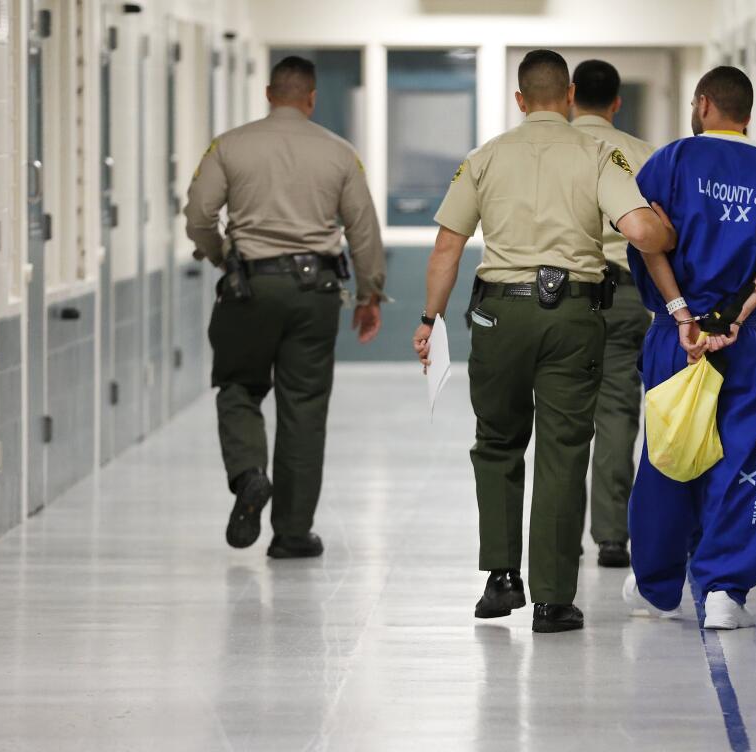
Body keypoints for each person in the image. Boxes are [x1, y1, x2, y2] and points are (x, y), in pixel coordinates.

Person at [412, 50, 676, 633]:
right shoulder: (597, 154)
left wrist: (430, 319)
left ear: (519, 99)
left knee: (497, 441)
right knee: (562, 449)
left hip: (498, 318)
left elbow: (446, 249)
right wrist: (666, 226)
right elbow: (639, 230)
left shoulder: (483, 158)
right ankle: (553, 599)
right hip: (573, 315)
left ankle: (501, 577)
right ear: (569, 94)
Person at [622, 66, 756, 629]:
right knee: (746, 458)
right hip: (749, 337)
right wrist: (734, 314)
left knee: (668, 455)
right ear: (747, 115)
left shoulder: (671, 162)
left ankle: (657, 585)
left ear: (704, 104)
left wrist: (683, 311)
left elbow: (645, 238)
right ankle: (723, 594)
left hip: (675, 332)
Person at [184, 55, 386, 559]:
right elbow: (363, 230)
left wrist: (220, 256)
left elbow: (199, 214)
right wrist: (369, 295)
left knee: (237, 385)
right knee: (304, 409)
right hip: (315, 293)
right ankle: (293, 533)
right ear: (311, 97)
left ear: (270, 93)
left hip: (249, 289)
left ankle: (250, 473)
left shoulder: (229, 146)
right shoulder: (340, 154)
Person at [570, 59, 657, 570]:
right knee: (618, 412)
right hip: (627, 296)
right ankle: (610, 536)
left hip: (563, 298)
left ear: (569, 96)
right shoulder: (643, 156)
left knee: (561, 416)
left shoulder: (550, 155)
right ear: (617, 102)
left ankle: (558, 533)